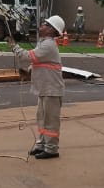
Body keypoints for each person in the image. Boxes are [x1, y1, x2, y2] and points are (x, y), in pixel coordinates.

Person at [12, 15, 65, 159]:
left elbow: (29, 56)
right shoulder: (44, 43)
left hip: (51, 90)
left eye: (45, 24)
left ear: (51, 30)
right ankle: (42, 145)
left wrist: (14, 46)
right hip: (45, 89)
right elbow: (38, 62)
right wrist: (28, 71)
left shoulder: (48, 45)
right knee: (41, 118)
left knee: (50, 120)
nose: (41, 26)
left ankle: (52, 149)